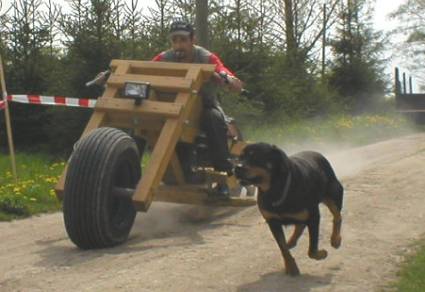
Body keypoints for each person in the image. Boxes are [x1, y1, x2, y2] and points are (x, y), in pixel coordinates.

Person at [152, 19, 243, 176]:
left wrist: (228, 79)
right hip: (174, 107)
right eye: (175, 40)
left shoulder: (206, 57)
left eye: (183, 40)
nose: (179, 45)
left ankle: (224, 172)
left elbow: (227, 75)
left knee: (213, 118)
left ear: (193, 40)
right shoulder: (164, 58)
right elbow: (145, 70)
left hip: (204, 106)